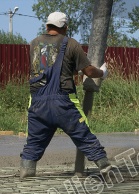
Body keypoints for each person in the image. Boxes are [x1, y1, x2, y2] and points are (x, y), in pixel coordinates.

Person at [20, 11, 111, 179]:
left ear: (47, 26)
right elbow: (89, 71)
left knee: (34, 141)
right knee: (83, 134)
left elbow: (44, 68)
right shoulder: (71, 44)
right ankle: (104, 166)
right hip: (63, 102)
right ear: (65, 27)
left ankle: (26, 172)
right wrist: (102, 73)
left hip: (38, 103)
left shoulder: (34, 44)